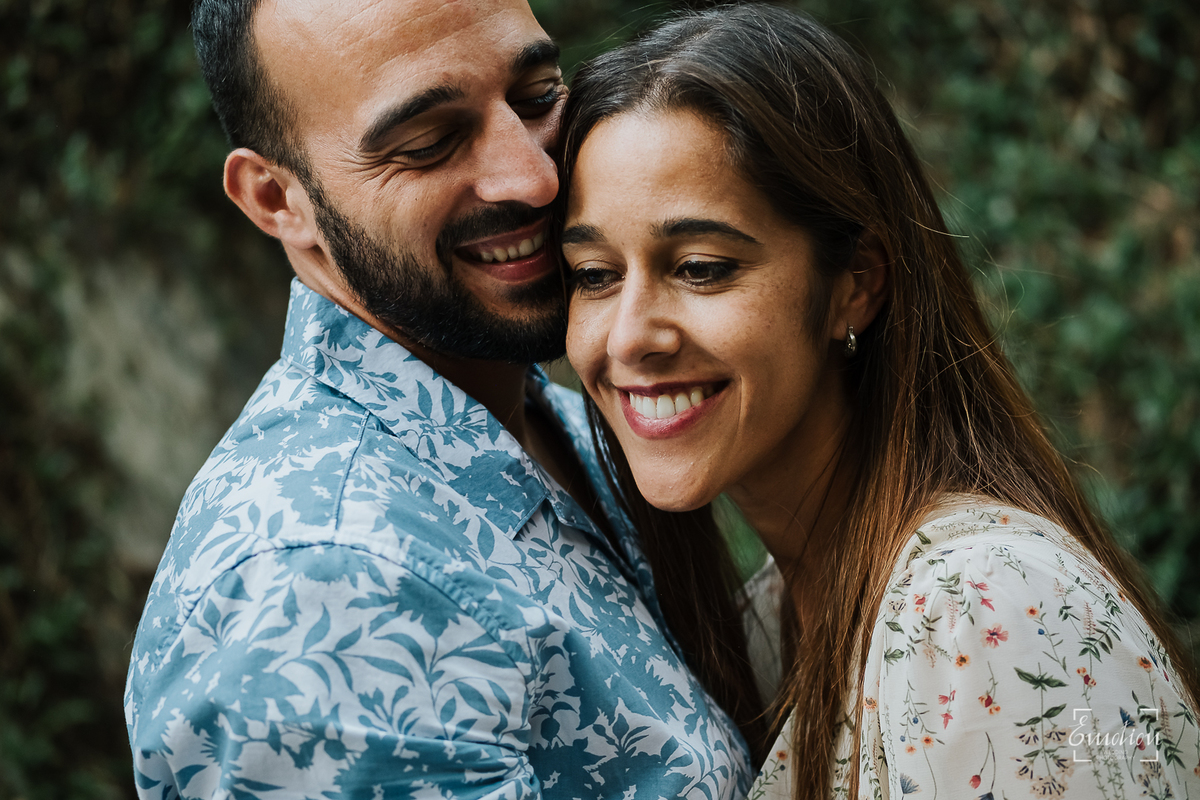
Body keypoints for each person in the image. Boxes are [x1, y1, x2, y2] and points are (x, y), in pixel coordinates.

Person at [556, 5, 1200, 798]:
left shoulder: (982, 606)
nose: (627, 339)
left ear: (855, 284)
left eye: (700, 267)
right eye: (594, 275)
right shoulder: (766, 626)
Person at [123, 0, 764, 797]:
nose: (534, 177)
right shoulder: (323, 589)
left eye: (537, 96)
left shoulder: (551, 417)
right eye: (427, 144)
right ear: (276, 199)